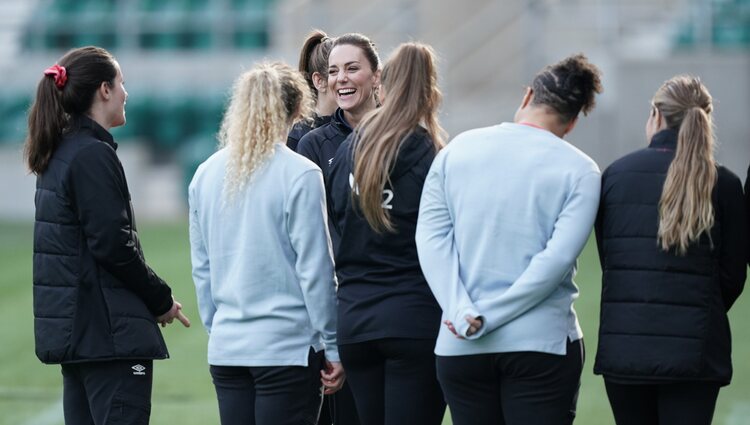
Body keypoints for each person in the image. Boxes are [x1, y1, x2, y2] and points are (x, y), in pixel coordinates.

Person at [416, 54, 603, 425]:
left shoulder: (459, 149)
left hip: (460, 341)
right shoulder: (581, 170)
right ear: (574, 120)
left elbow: (431, 238)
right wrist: (488, 316)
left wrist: (462, 312)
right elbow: (554, 261)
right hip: (539, 345)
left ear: (527, 95)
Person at [24, 46, 190, 425]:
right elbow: (113, 245)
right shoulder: (91, 155)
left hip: (83, 338)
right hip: (109, 339)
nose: (126, 93)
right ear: (103, 90)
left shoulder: (61, 152)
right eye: (121, 84)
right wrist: (161, 298)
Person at [188, 61, 344, 425]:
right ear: (295, 109)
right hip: (285, 350)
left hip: (229, 350)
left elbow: (202, 269)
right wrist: (333, 346)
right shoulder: (300, 173)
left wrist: (221, 330)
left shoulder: (206, 173)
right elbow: (316, 270)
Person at [593, 75, 747, 425]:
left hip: (626, 351)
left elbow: (612, 263)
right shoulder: (724, 183)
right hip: (694, 354)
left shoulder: (616, 175)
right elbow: (733, 275)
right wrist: (700, 306)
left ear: (656, 115)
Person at [327, 42, 447, 425]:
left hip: (355, 323)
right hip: (413, 320)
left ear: (382, 85)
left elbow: (336, 228)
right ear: (431, 93)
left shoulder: (347, 150)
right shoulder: (432, 152)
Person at [286, 29, 337, 152]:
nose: (345, 78)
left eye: (351, 69)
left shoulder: (354, 127)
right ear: (319, 81)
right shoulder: (296, 135)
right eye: (335, 71)